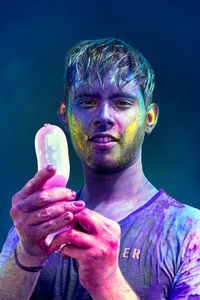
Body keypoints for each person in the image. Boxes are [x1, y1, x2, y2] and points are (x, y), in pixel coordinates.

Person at [0, 38, 200, 300]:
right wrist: (27, 253)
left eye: (122, 103)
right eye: (87, 102)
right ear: (65, 115)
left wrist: (107, 282)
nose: (104, 116)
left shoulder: (189, 232)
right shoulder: (32, 225)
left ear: (149, 118)